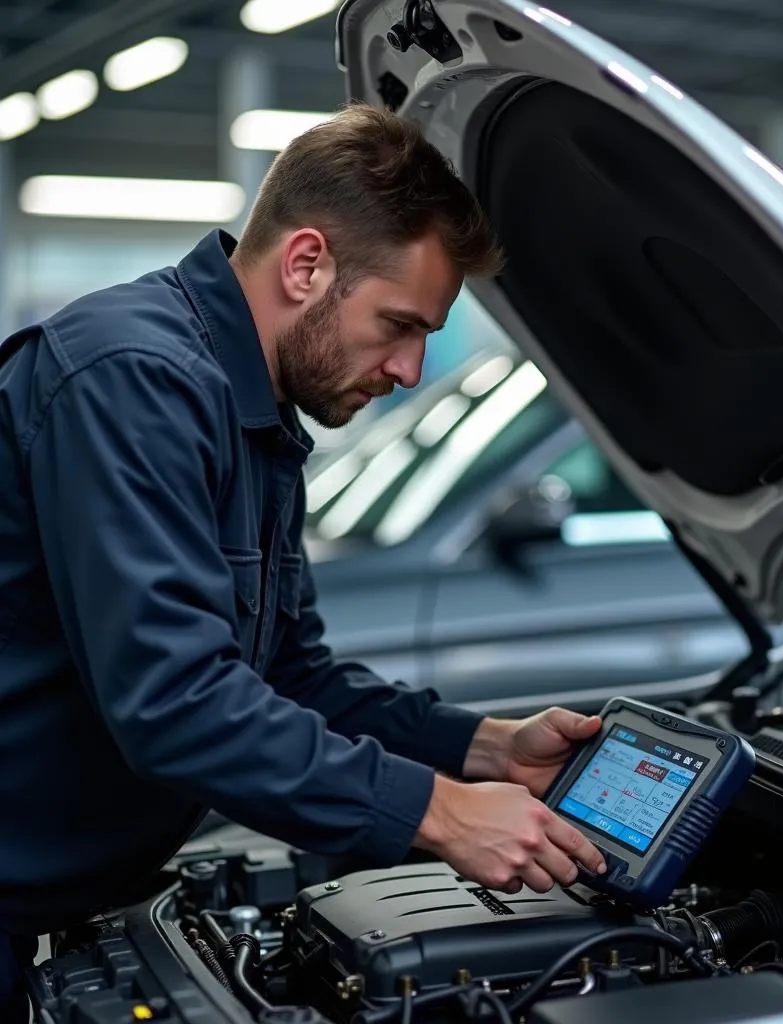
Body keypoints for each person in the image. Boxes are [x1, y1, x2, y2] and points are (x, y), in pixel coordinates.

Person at [0, 103, 606, 1018]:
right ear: (307, 263)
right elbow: (175, 702)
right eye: (399, 324)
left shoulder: (256, 415)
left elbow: (289, 674)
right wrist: (435, 812)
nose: (410, 370)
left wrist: (485, 750)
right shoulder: (133, 378)